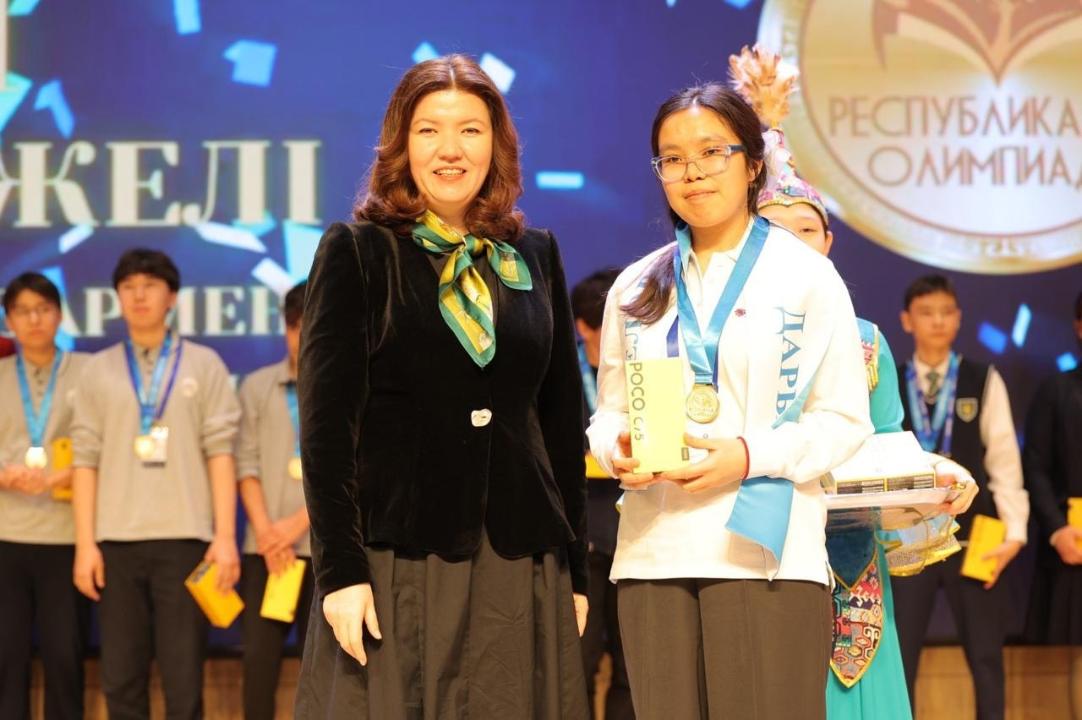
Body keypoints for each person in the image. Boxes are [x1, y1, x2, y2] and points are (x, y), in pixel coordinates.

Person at [294, 54, 590, 719]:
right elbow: (326, 432)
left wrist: (575, 569)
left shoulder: (535, 254)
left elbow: (559, 423)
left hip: (518, 560)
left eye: (470, 130)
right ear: (401, 144)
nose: (450, 150)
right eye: (429, 130)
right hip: (399, 560)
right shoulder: (359, 250)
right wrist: (339, 572)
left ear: (497, 145)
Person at [586, 81, 873, 720]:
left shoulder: (806, 275)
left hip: (765, 550)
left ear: (751, 164)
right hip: (655, 551)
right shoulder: (636, 285)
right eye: (673, 158)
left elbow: (843, 419)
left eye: (712, 152)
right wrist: (616, 446)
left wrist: (747, 456)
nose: (692, 172)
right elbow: (609, 411)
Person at [734, 44, 977, 720]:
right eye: (774, 229)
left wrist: (933, 476)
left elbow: (886, 443)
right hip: (755, 540)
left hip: (847, 545)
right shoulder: (725, 333)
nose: (793, 241)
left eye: (807, 229)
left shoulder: (866, 339)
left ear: (829, 243)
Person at [70, 249, 242, 720]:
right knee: (121, 679)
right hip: (115, 543)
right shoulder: (97, 369)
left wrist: (225, 537)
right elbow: (84, 461)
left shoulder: (204, 364)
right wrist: (85, 545)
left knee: (184, 679)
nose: (138, 295)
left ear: (172, 297)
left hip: (186, 541)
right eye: (128, 287)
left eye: (149, 285)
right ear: (117, 297)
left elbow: (220, 453)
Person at [891, 274, 1029, 720]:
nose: (937, 321)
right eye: (926, 313)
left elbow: (1004, 461)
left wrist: (1015, 533)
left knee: (986, 656)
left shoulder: (982, 378)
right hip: (908, 537)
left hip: (975, 537)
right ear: (907, 320)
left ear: (959, 318)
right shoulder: (890, 381)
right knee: (901, 658)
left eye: (946, 312)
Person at [0, 272, 89, 720]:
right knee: (6, 658)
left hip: (67, 536)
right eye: (22, 311)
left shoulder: (90, 372)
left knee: (64, 657)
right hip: (6, 536)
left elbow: (104, 445)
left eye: (43, 309)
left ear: (58, 315)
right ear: (9, 321)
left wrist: (62, 476)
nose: (33, 320)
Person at [236, 281, 315, 720]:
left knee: (321, 667)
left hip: (323, 550)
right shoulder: (256, 386)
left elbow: (357, 472)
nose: (303, 336)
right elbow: (244, 465)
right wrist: (269, 532)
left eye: (314, 324)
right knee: (257, 662)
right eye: (296, 326)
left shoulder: (348, 383)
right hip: (266, 552)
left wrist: (296, 525)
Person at [572, 267, 634, 719]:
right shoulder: (557, 372)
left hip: (633, 532)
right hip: (582, 538)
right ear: (584, 327)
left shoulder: (646, 372)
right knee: (579, 660)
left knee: (633, 667)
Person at [1024, 291, 1082, 718]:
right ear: (1079, 327)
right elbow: (1036, 467)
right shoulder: (1057, 390)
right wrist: (1057, 527)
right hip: (1074, 539)